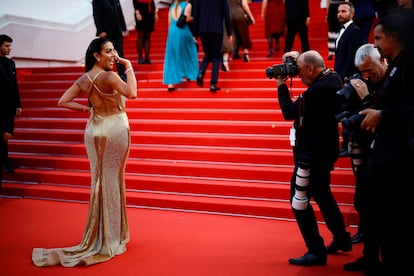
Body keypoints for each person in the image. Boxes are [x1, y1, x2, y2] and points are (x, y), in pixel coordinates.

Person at [32, 37, 137, 267]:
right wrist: (128, 66)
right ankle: (110, 237)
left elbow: (63, 101)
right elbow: (132, 93)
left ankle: (103, 232)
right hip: (115, 129)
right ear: (96, 56)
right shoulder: (109, 76)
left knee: (99, 181)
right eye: (108, 51)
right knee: (111, 180)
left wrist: (85, 108)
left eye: (114, 51)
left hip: (93, 130)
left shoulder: (83, 79)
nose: (113, 55)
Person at [272, 50, 351, 266]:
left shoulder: (316, 91)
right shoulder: (332, 76)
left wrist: (280, 84)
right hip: (325, 150)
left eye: (299, 69)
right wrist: (298, 57)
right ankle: (342, 238)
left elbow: (289, 111)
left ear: (311, 69)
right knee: (323, 194)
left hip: (311, 155)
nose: (297, 75)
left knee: (298, 201)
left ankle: (315, 250)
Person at [357, 12, 414, 275]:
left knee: (395, 232)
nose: (376, 44)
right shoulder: (397, 63)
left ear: (394, 36)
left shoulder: (408, 64)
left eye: (379, 38)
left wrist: (382, 115)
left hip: (398, 161)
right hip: (384, 159)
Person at [338, 43, 387, 272]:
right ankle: (369, 256)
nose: (367, 76)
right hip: (370, 157)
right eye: (363, 72)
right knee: (364, 205)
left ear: (383, 60)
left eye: (370, 70)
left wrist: (369, 104)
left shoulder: (394, 82)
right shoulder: (366, 83)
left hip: (391, 158)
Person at [334, 1, 362, 157]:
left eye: (343, 11)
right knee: (344, 111)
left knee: (348, 111)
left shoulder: (354, 31)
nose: (340, 14)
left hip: (347, 78)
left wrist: (345, 77)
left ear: (352, 14)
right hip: (340, 76)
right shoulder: (341, 30)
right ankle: (346, 144)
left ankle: (348, 145)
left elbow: (353, 57)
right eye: (338, 11)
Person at [192, 0, 232, 92]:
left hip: (204, 30)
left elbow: (196, 15)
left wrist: (195, 33)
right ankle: (213, 83)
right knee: (216, 57)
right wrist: (229, 31)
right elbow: (226, 13)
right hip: (216, 29)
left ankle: (200, 74)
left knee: (208, 54)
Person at [163, 0, 199, 91]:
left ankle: (171, 83)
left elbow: (169, 23)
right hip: (183, 31)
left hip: (172, 32)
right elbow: (186, 18)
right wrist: (193, 18)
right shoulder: (187, 5)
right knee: (190, 52)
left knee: (172, 57)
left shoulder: (171, 7)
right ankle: (190, 74)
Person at [0, 34, 22, 179]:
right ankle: (4, 161)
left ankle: (5, 161)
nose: (9, 49)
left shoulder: (10, 64)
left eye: (10, 46)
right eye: (7, 46)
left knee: (5, 136)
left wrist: (17, 104)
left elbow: (14, 86)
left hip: (7, 106)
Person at [92, 0, 129, 80]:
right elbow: (96, 15)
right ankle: (105, 75)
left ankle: (122, 74)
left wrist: (124, 27)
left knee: (119, 53)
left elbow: (120, 12)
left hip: (117, 31)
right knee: (106, 54)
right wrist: (100, 30)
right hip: (106, 32)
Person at [133, 0, 159, 64]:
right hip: (140, 12)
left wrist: (155, 13)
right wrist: (137, 12)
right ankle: (140, 57)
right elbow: (134, 1)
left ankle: (147, 57)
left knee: (148, 36)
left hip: (150, 13)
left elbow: (152, 1)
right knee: (141, 35)